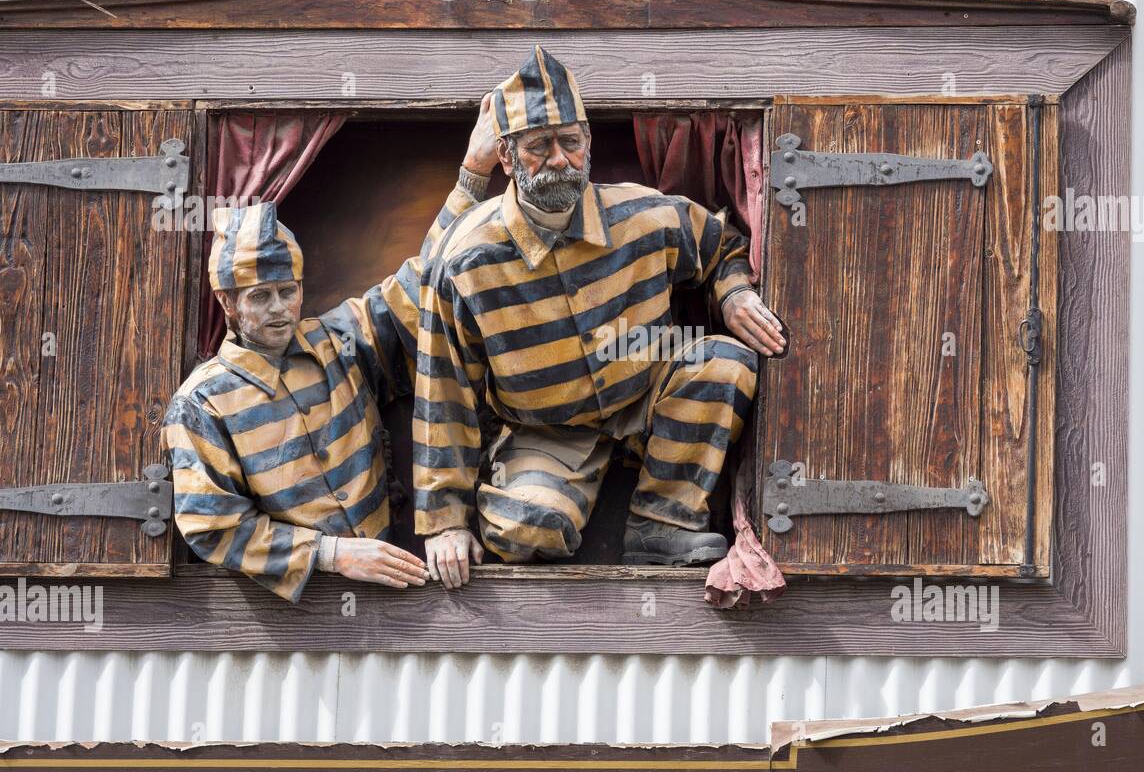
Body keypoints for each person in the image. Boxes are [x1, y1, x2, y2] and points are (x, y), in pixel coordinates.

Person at [415, 45, 786, 589]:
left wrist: (731, 293)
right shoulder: (466, 258)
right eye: (539, 146)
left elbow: (720, 244)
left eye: (571, 142)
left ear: (588, 143)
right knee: (526, 531)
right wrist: (444, 520)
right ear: (507, 154)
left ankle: (662, 522)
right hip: (544, 428)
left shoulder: (644, 213)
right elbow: (442, 388)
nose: (560, 159)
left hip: (646, 391)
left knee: (725, 361)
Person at [162, 106, 500, 602]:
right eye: (260, 297)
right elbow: (212, 526)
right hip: (293, 619)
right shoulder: (201, 404)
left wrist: (474, 170)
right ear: (228, 304)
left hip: (393, 592)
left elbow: (422, 279)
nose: (279, 309)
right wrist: (331, 554)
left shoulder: (338, 340)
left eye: (287, 290)